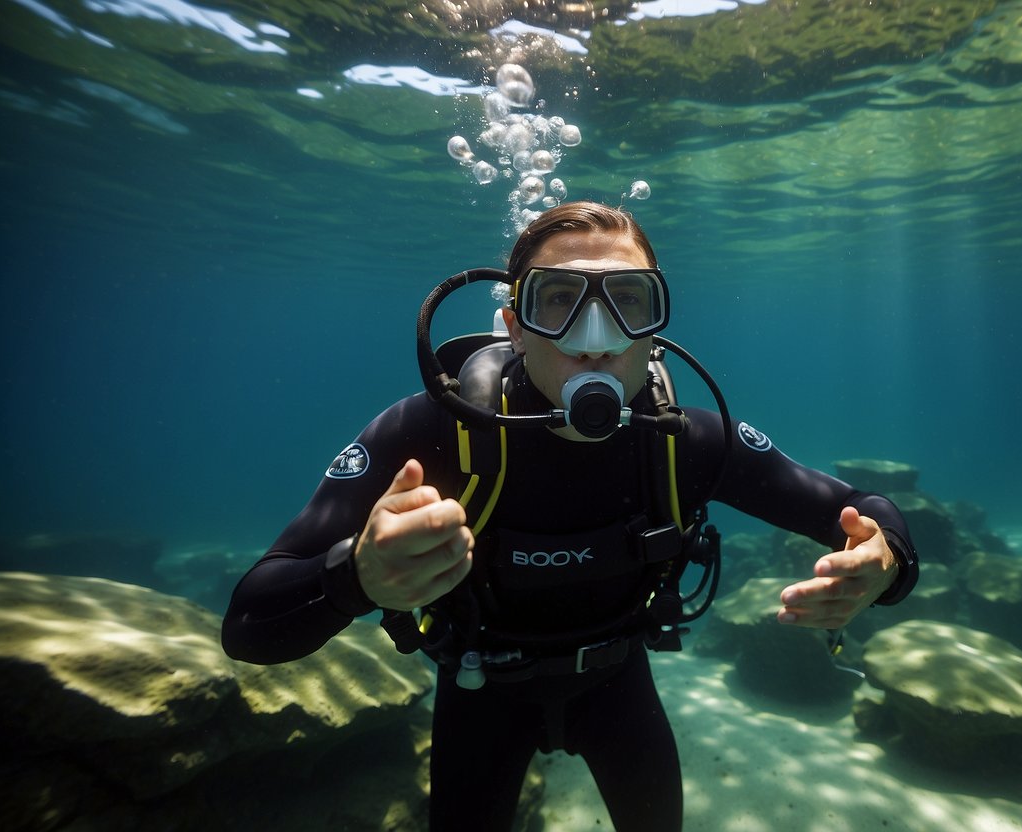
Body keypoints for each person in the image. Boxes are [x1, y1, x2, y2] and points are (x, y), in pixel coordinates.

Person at [222, 201, 918, 831]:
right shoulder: (430, 434)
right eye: (557, 301)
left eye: (627, 302)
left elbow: (858, 511)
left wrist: (880, 560)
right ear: (513, 328)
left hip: (619, 686)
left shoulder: (688, 440)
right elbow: (251, 624)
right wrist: (356, 577)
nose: (594, 340)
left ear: (656, 329)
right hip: (478, 691)